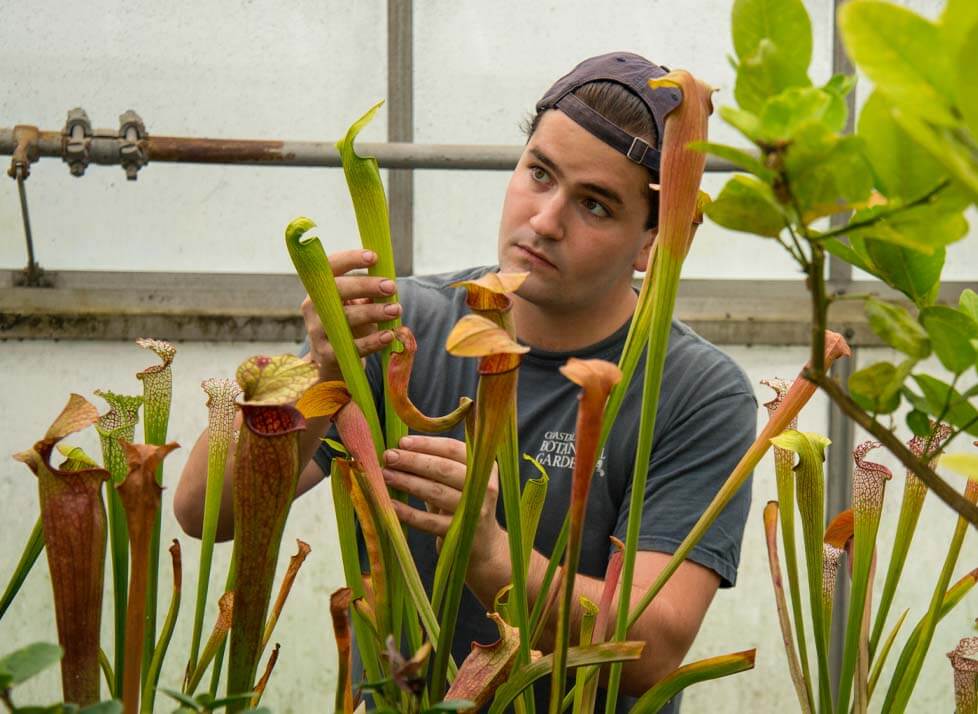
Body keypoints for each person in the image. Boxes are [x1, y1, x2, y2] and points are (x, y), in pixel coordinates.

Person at [175, 51, 756, 713]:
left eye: (595, 206)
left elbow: (651, 651)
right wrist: (319, 368)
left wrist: (487, 554)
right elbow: (205, 510)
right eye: (540, 174)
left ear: (652, 242)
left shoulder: (696, 392)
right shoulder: (404, 327)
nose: (545, 220)